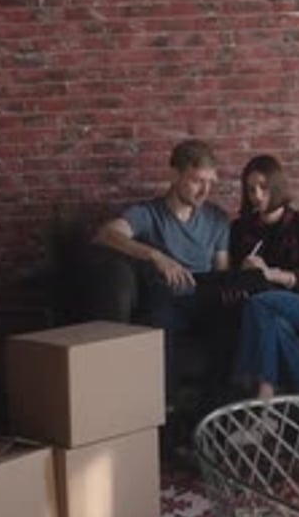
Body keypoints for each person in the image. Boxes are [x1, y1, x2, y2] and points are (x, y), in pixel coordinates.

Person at [93, 138, 230, 401]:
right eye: (197, 181)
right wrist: (156, 255)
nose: (205, 191)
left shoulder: (217, 218)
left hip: (204, 301)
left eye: (210, 182)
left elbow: (221, 272)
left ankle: (215, 414)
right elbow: (105, 234)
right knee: (160, 318)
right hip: (166, 301)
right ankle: (166, 411)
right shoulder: (148, 213)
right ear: (174, 175)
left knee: (236, 320)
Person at [229, 153, 299, 400]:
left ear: (276, 187)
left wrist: (270, 274)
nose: (257, 195)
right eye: (251, 189)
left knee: (260, 304)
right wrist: (244, 272)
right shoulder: (241, 228)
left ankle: (262, 388)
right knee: (276, 325)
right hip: (259, 307)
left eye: (263, 187)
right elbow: (232, 280)